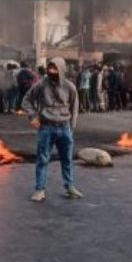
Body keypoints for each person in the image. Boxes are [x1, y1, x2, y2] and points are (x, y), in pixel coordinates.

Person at [22, 57, 83, 202]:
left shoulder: (70, 87)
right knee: (42, 160)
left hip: (64, 128)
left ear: (61, 69)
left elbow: (74, 109)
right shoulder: (41, 85)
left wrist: (71, 129)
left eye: (55, 68)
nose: (51, 71)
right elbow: (26, 100)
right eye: (50, 68)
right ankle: (40, 190)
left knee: (67, 159)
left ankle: (69, 187)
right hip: (46, 128)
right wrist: (32, 117)